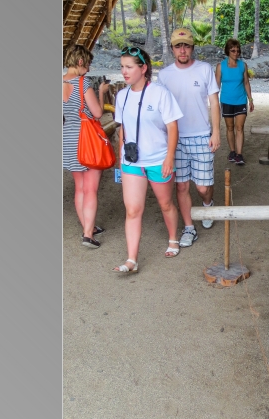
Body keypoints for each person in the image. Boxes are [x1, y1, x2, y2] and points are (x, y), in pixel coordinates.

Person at [112, 45, 183, 273]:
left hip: (158, 159)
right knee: (132, 210)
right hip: (132, 162)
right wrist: (120, 158)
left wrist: (169, 158)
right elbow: (123, 129)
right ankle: (131, 259)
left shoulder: (160, 93)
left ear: (143, 69)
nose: (124, 71)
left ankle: (173, 238)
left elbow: (173, 127)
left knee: (166, 204)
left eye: (129, 67)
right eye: (122, 67)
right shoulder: (121, 96)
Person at [157, 27, 221, 248]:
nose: (182, 50)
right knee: (182, 186)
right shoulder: (164, 76)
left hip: (201, 135)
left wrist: (216, 132)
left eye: (186, 46)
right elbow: (160, 109)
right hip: (176, 139)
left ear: (192, 48)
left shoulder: (205, 69)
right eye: (178, 46)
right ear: (172, 49)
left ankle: (208, 204)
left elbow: (214, 102)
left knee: (202, 187)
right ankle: (189, 228)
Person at [62, 44, 109, 249]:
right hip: (86, 139)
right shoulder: (83, 83)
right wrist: (102, 92)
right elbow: (97, 113)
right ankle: (88, 235)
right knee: (90, 189)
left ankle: (87, 226)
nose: (88, 69)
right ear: (80, 61)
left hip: (68, 138)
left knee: (79, 187)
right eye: (87, 64)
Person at [215, 38, 254, 166]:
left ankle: (239, 154)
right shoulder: (220, 66)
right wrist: (214, 102)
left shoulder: (243, 65)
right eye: (233, 50)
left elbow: (246, 83)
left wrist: (250, 99)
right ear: (228, 51)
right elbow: (216, 85)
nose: (236, 53)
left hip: (241, 100)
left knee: (239, 127)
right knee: (230, 127)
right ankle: (232, 151)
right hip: (226, 101)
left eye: (237, 51)